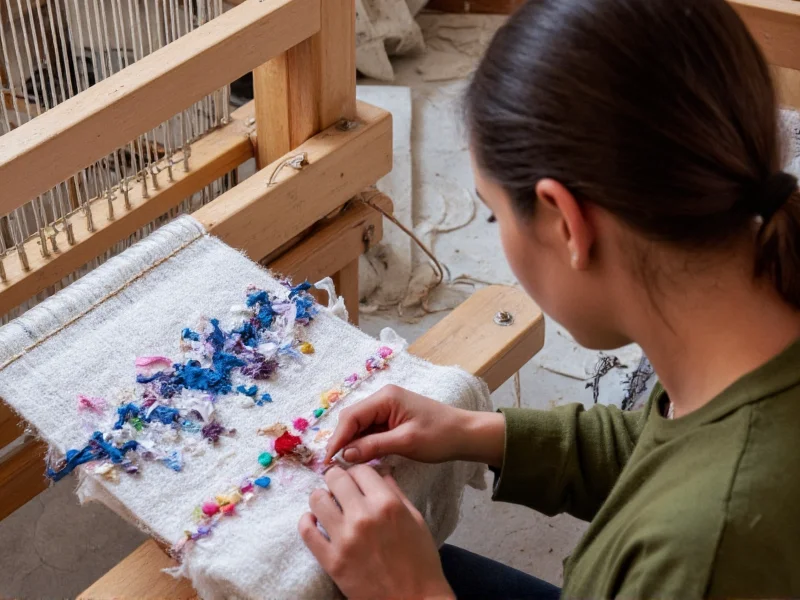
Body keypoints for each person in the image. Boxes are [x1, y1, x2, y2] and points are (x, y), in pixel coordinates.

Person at [298, 0, 800, 597]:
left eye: (495, 214)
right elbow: (659, 448)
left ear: (567, 223)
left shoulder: (706, 553)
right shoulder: (743, 328)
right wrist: (473, 430)